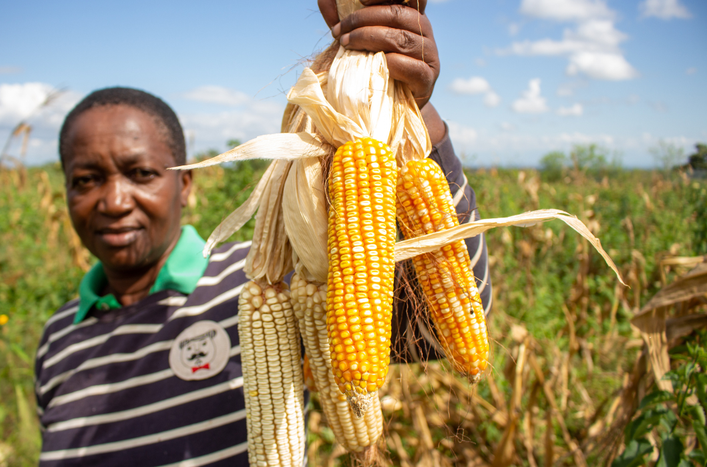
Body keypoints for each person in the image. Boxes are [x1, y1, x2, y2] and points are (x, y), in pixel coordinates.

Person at [34, 1, 492, 465]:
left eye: (140, 173)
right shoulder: (55, 340)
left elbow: (432, 330)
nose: (113, 202)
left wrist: (418, 113)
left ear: (185, 183)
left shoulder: (259, 282)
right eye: (86, 180)